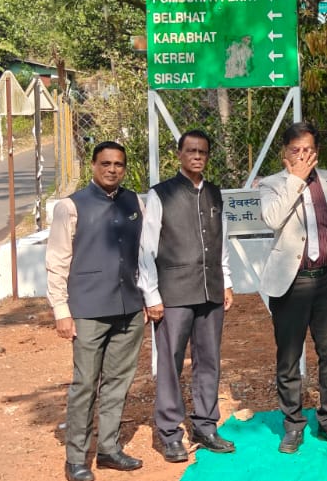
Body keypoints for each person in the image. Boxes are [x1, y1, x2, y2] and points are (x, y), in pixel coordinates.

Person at [257, 121, 327, 453]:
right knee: (289, 357)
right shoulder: (271, 184)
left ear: (317, 152)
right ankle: (293, 424)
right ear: (284, 152)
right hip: (292, 282)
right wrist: (296, 180)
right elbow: (272, 219)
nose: (303, 156)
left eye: (308, 150)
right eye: (295, 150)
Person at [46, 141, 146, 481]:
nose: (112, 169)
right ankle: (76, 458)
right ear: (93, 165)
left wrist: (147, 298)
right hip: (88, 310)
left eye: (119, 164)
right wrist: (61, 310)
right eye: (105, 163)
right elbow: (57, 261)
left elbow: (144, 254)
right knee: (85, 385)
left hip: (129, 308)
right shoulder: (70, 207)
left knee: (118, 382)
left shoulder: (135, 202)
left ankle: (108, 449)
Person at [138, 130, 235, 463]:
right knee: (170, 362)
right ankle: (170, 434)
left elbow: (221, 240)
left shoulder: (214, 193)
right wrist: (151, 294)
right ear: (179, 154)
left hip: (210, 289)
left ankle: (206, 426)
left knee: (208, 361)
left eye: (202, 152)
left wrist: (226, 281)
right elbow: (146, 248)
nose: (197, 156)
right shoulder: (161, 194)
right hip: (173, 292)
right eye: (191, 150)